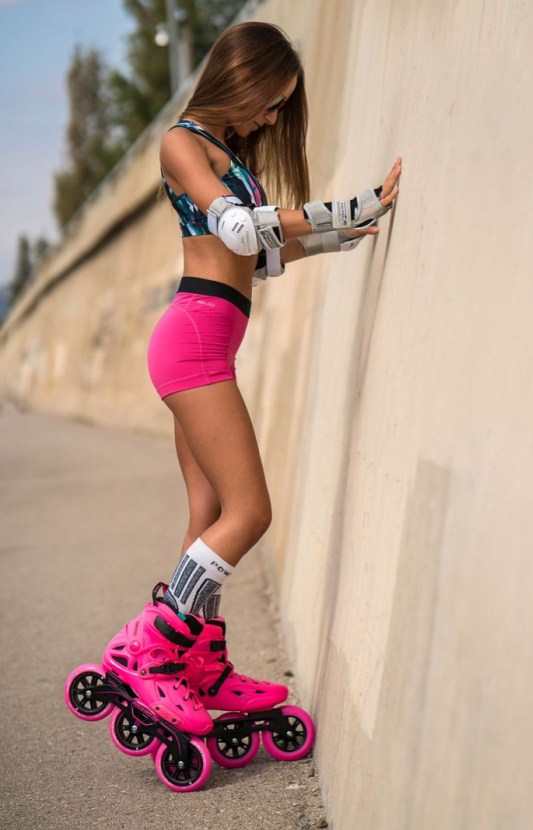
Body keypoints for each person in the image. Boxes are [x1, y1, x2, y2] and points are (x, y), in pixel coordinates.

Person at [101, 21, 402, 737]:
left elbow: (262, 259)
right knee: (250, 512)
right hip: (194, 342)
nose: (271, 118)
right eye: (270, 101)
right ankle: (150, 649)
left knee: (208, 518)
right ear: (240, 79)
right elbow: (239, 233)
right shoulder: (183, 143)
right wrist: (352, 204)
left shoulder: (232, 157)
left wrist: (344, 234)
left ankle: (196, 667)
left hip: (210, 340)